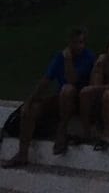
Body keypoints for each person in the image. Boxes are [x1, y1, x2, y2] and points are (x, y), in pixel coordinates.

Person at [2, 26, 96, 167]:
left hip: (80, 100)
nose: (78, 46)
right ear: (69, 42)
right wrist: (29, 101)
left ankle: (62, 130)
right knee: (32, 109)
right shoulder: (60, 57)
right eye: (75, 42)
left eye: (81, 42)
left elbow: (72, 81)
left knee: (67, 89)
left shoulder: (88, 57)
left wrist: (69, 60)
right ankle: (22, 153)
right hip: (62, 99)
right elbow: (46, 80)